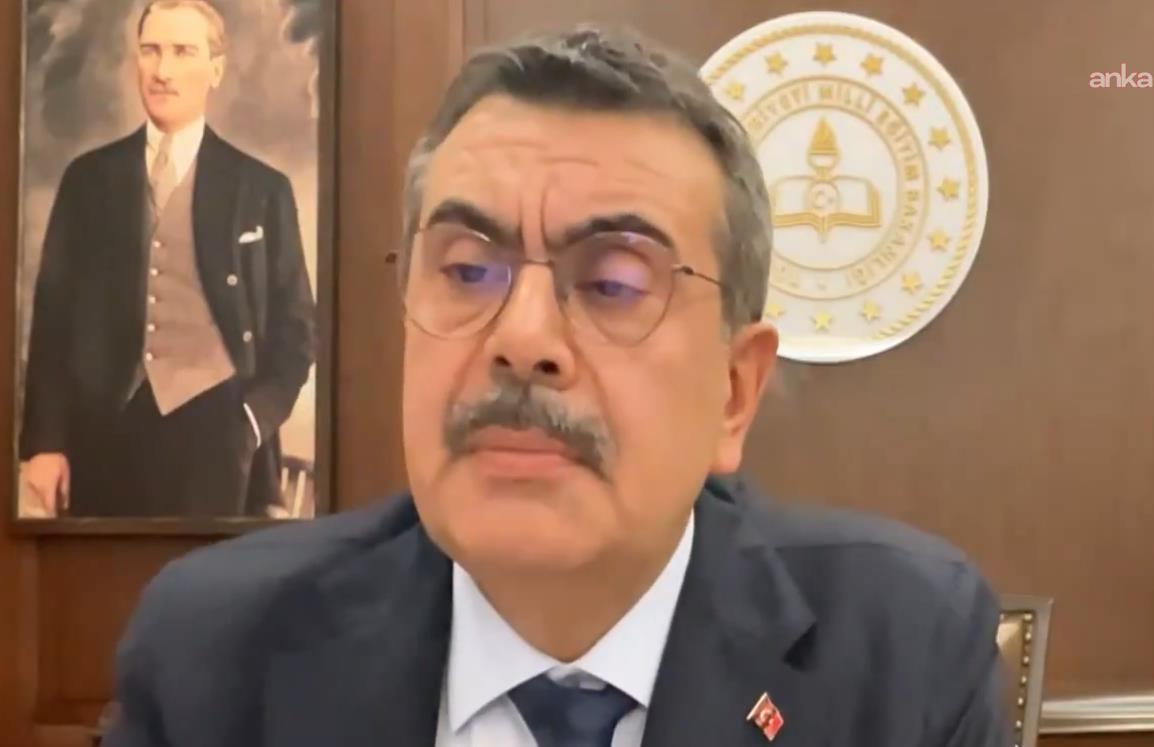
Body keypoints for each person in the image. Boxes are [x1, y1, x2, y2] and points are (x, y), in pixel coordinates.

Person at [102, 23, 1006, 746]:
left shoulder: (899, 652)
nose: (522, 339)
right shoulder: (215, 655)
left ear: (734, 392)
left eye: (611, 282)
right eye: (467, 271)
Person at [20, 0, 316, 518]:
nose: (163, 70)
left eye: (183, 52)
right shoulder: (88, 180)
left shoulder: (262, 189)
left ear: (215, 69)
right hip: (103, 436)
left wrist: (251, 421)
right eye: (151, 50)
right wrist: (44, 443)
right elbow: (53, 318)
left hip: (219, 440)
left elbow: (298, 331)